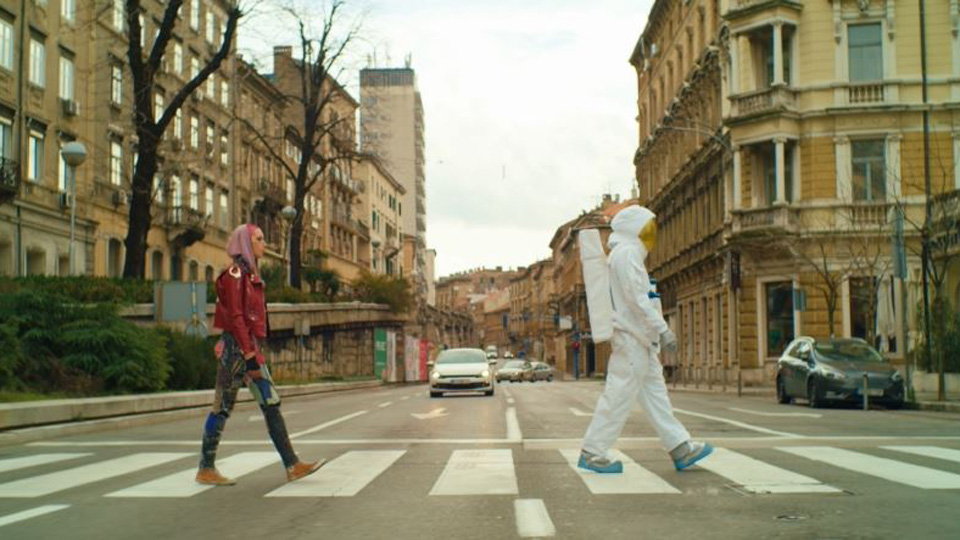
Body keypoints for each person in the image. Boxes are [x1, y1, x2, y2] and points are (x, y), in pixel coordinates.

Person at [579, 204, 714, 474]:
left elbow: (639, 298)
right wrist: (662, 329)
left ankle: (680, 447)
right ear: (635, 229)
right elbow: (637, 299)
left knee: (656, 397)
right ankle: (593, 451)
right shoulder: (627, 253)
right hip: (631, 339)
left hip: (640, 340)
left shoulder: (625, 254)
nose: (652, 235)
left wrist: (655, 333)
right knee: (618, 396)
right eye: (647, 229)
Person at [196, 224, 324, 485]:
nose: (264, 243)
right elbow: (236, 317)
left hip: (248, 348)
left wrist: (253, 351)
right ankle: (205, 468)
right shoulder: (235, 274)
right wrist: (248, 354)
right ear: (246, 242)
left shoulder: (249, 274)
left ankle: (292, 464)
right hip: (236, 350)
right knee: (222, 407)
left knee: (271, 403)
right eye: (259, 239)